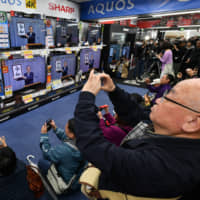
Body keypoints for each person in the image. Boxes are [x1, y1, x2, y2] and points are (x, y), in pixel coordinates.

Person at [74, 69, 200, 199]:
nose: (157, 100)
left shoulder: (168, 167)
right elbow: (137, 115)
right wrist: (113, 90)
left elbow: (94, 147)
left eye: (168, 98)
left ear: (192, 122)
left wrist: (86, 96)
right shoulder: (182, 140)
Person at [39, 118, 86, 191]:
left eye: (66, 126)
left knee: (42, 162)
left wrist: (44, 136)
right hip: (80, 179)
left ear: (71, 133)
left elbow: (47, 153)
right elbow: (67, 138)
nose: (65, 126)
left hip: (67, 185)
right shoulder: (86, 140)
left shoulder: (64, 150)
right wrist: (55, 128)